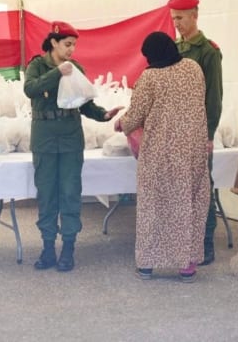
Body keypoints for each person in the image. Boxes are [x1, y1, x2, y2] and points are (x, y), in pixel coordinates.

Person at [23, 21, 123, 272]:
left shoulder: (76, 68)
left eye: (74, 45)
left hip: (69, 136)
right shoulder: (37, 65)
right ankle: (47, 249)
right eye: (67, 44)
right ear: (54, 42)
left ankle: (68, 249)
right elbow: (30, 89)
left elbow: (85, 103)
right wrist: (58, 72)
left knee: (70, 192)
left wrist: (103, 115)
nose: (71, 50)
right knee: (46, 194)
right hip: (44, 137)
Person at [114, 31, 210, 282]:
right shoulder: (193, 68)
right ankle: (187, 264)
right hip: (192, 148)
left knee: (154, 204)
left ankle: (147, 263)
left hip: (160, 150)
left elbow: (135, 115)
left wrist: (121, 124)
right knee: (189, 202)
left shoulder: (150, 77)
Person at [170, 0, 222, 266]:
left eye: (180, 17)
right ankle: (184, 241)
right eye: (174, 18)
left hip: (198, 131)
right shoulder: (175, 48)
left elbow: (214, 97)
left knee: (202, 188)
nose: (176, 23)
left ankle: (205, 244)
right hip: (177, 130)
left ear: (194, 16)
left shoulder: (208, 51)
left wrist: (209, 134)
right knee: (181, 188)